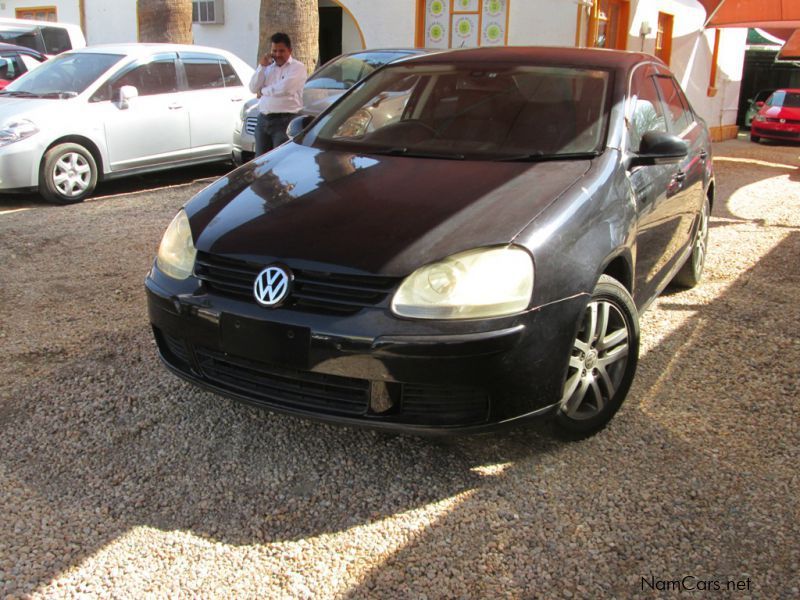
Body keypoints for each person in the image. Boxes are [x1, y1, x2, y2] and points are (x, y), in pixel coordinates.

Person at [249, 32, 307, 156]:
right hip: (263, 120)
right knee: (260, 162)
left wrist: (263, 91)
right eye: (274, 51)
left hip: (285, 121)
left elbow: (284, 89)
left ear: (289, 50)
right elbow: (253, 87)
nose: (277, 54)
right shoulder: (268, 68)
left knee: (280, 160)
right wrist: (261, 67)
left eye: (281, 51)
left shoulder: (298, 68)